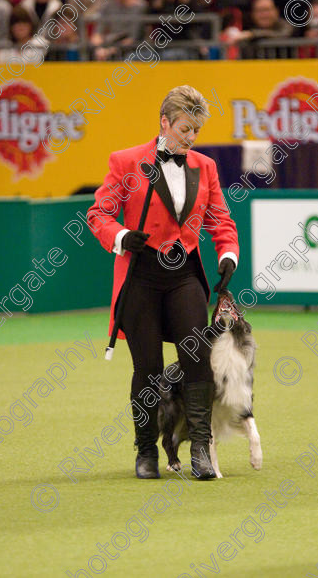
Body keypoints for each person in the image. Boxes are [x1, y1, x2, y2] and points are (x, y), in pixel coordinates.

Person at [87, 85, 239, 480]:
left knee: (196, 358)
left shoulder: (204, 166)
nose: (190, 138)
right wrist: (120, 236)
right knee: (149, 369)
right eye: (185, 129)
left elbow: (220, 219)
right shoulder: (126, 162)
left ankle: (201, 451)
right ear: (164, 122)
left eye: (196, 132)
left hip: (183, 275)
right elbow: (99, 213)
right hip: (140, 277)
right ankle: (146, 452)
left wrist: (227, 254)